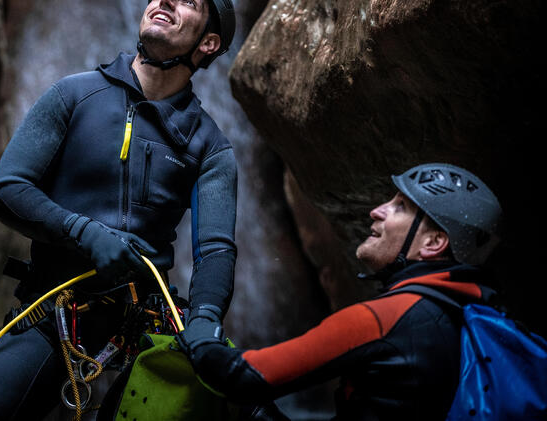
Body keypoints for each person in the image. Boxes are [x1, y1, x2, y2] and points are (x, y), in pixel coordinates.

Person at [0, 0, 239, 420]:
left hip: (142, 332)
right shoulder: (75, 94)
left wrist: (204, 319)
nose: (165, 1)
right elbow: (6, 189)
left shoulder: (210, 146)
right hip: (54, 315)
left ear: (209, 44)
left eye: (187, 2)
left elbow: (216, 250)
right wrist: (84, 233)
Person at [183, 163, 503, 421]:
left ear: (434, 243)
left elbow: (242, 375)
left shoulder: (385, 319)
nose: (377, 210)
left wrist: (198, 336)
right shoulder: (469, 315)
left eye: (400, 207)